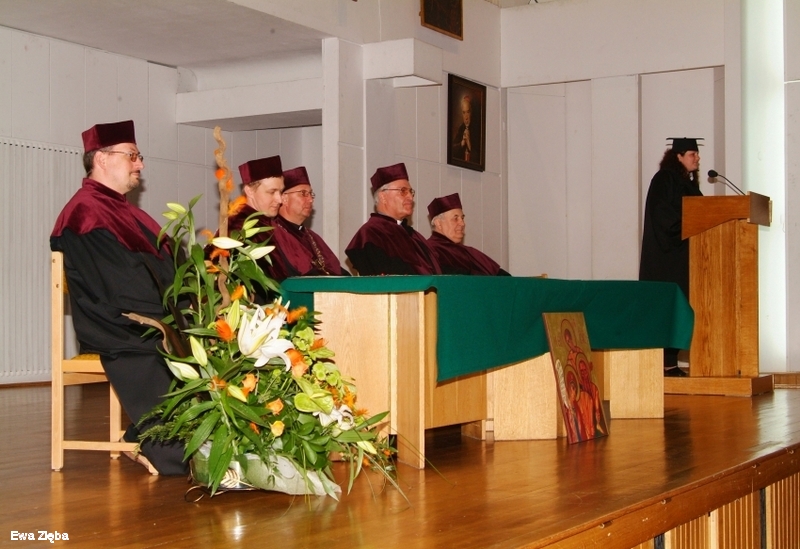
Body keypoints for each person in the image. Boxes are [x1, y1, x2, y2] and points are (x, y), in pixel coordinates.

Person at [50, 120, 187, 475]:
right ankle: (163, 444)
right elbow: (119, 286)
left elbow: (173, 268)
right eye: (132, 156)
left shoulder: (126, 211)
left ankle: (139, 435)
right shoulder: (84, 213)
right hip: (119, 323)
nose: (140, 164)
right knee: (170, 350)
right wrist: (174, 316)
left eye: (139, 156)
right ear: (102, 159)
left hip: (149, 315)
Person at [639, 137, 704, 377]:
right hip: (667, 259)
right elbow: (663, 216)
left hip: (687, 257)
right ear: (678, 156)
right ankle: (665, 365)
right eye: (692, 154)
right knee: (668, 310)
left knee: (682, 310)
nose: (697, 158)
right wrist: (687, 228)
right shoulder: (664, 179)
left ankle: (670, 363)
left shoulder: (688, 184)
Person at [345, 163, 441, 275]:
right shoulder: (371, 234)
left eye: (411, 192)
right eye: (403, 191)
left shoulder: (416, 236)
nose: (410, 197)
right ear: (383, 197)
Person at [267, 166, 349, 280]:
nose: (310, 200)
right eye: (303, 193)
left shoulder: (312, 237)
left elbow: (336, 271)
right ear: (284, 198)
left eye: (311, 194)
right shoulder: (272, 233)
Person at [224, 155, 285, 297]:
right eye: (272, 192)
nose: (280, 199)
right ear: (250, 191)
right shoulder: (237, 227)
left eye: (281, 191)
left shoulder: (267, 222)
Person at [426, 193, 510, 276]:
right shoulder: (428, 250)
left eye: (462, 218)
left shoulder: (469, 252)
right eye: (455, 218)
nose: (462, 223)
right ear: (438, 223)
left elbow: (504, 277)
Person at [451, 94, 480, 163]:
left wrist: (469, 144)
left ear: (471, 112)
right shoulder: (461, 128)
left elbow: (480, 158)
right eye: (464, 113)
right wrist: (462, 143)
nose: (466, 117)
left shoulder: (477, 128)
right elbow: (451, 152)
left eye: (468, 112)